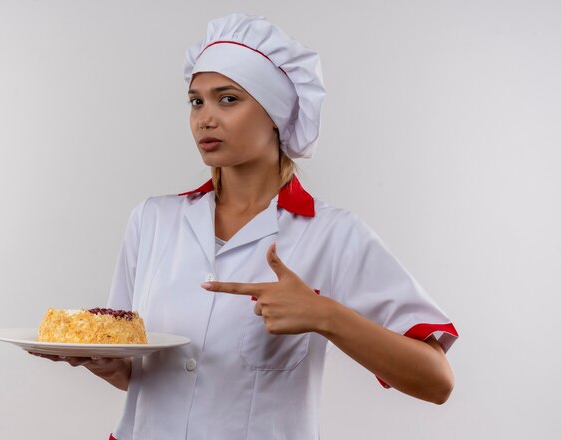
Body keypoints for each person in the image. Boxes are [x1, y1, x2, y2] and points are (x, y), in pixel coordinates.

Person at [33, 13, 458, 440]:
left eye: (228, 99)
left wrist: (326, 315)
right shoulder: (152, 220)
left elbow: (437, 380)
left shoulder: (334, 235)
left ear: (275, 113)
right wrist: (106, 362)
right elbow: (137, 373)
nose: (205, 118)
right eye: (196, 101)